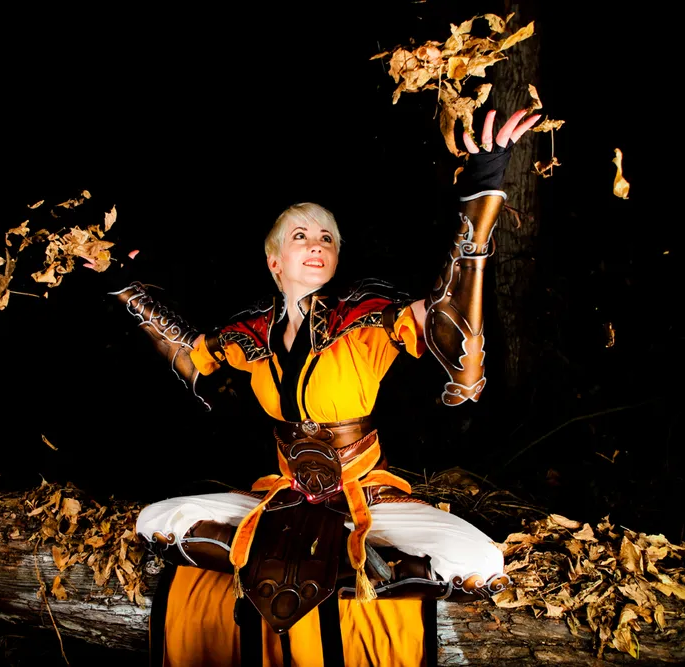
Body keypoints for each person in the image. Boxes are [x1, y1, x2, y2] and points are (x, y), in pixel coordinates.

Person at [95, 107, 542, 665]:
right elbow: (188, 354)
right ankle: (270, 558)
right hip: (281, 496)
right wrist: (119, 282)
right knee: (155, 521)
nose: (316, 244)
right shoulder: (250, 333)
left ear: (335, 257)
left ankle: (364, 569)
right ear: (274, 260)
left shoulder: (365, 317)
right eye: (300, 235)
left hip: (367, 494)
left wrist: (482, 186)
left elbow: (446, 312)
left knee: (478, 562)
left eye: (326, 237)